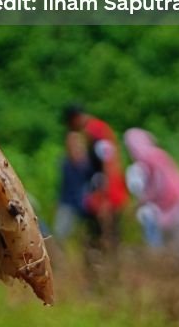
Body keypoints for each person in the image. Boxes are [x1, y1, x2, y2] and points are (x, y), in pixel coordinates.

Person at [124, 127, 179, 265]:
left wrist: (144, 200)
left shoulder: (152, 157)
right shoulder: (150, 159)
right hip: (172, 201)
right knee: (171, 241)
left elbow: (160, 183)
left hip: (176, 200)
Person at [63, 103, 129, 249]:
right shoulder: (96, 130)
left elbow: (108, 163)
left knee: (105, 237)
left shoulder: (96, 131)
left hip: (108, 193)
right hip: (105, 191)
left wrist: (105, 197)